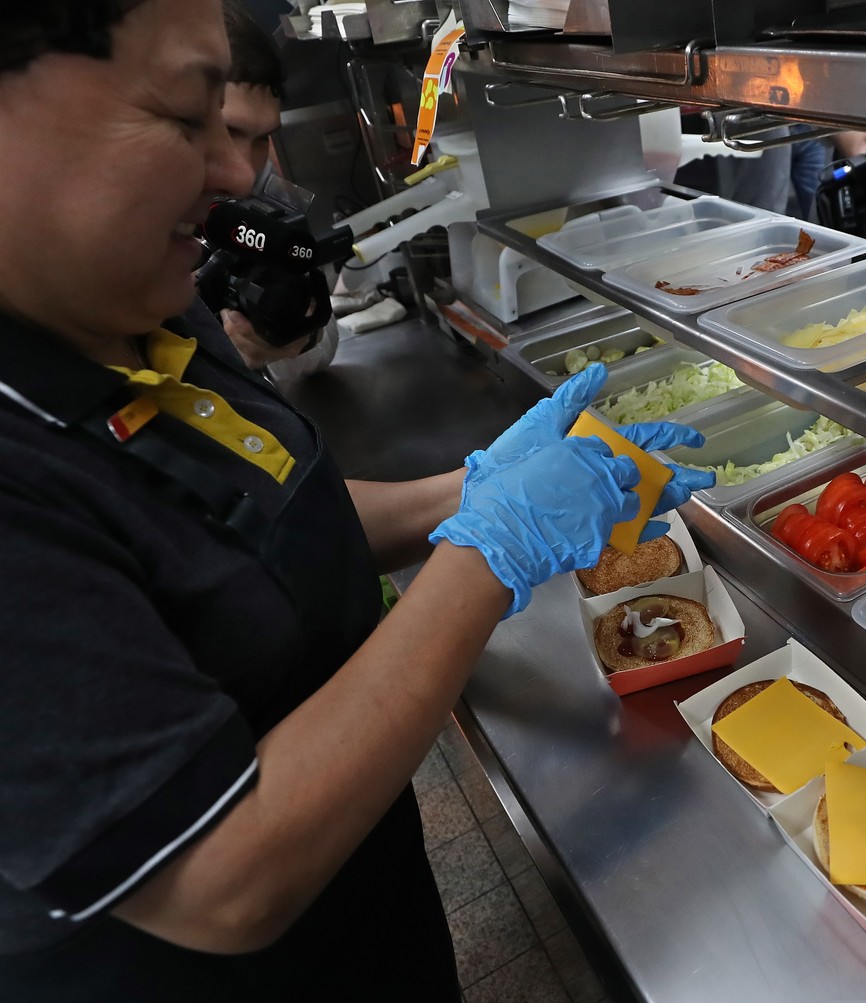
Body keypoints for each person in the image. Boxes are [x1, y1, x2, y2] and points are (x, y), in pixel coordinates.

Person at [0, 2, 711, 999]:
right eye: (182, 117)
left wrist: (471, 488)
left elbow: (271, 527)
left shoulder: (140, 303)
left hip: (360, 914)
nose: (237, 176)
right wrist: (487, 551)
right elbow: (221, 879)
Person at [216, 0, 340, 380]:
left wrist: (288, 341)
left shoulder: (261, 189)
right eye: (227, 131)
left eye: (261, 138)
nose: (242, 174)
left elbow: (323, 344)